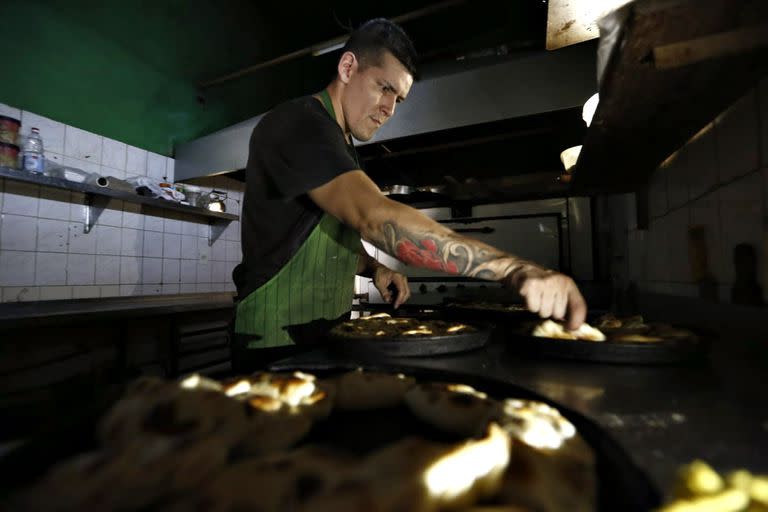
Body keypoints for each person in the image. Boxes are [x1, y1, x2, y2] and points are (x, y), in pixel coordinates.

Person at [232, 18, 587, 370]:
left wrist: (374, 268)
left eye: (398, 98)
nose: (389, 109)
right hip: (274, 345)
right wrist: (513, 269)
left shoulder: (341, 145)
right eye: (384, 88)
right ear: (347, 67)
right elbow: (374, 217)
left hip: (327, 336)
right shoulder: (299, 123)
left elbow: (324, 237)